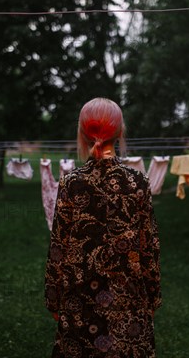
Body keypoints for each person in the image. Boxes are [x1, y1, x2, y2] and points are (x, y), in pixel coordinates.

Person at [44, 97, 162, 357]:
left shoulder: (71, 184)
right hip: (129, 299)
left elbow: (58, 248)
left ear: (83, 134)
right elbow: (149, 246)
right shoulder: (138, 183)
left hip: (79, 299)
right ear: (120, 132)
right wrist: (153, 295)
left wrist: (53, 298)